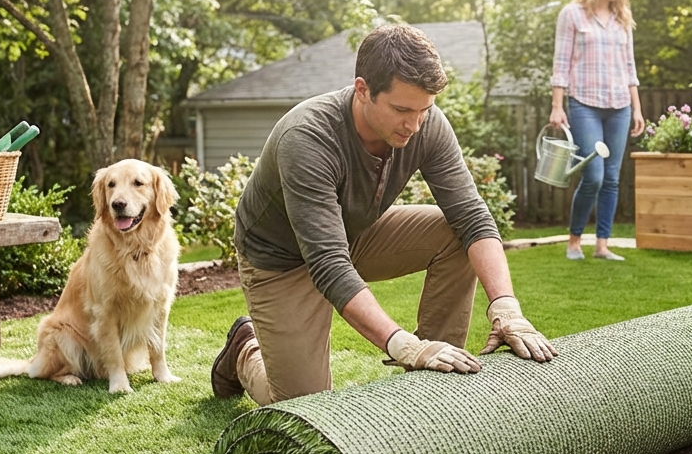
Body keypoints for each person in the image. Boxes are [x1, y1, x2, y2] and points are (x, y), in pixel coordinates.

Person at [209, 23, 556, 404]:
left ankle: (434, 381)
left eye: (425, 109)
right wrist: (403, 344)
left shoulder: (425, 124)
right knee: (306, 406)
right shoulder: (307, 138)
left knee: (455, 232)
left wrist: (506, 308)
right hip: (281, 259)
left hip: (353, 234)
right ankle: (245, 350)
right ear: (362, 90)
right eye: (402, 109)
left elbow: (473, 217)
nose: (415, 124)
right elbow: (328, 264)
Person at [550, 0, 646, 262]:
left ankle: (602, 244)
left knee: (613, 177)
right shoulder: (573, 14)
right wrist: (557, 105)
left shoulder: (622, 18)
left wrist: (638, 109)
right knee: (594, 175)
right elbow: (561, 63)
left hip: (620, 105)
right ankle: (575, 239)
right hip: (584, 104)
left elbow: (630, 67)